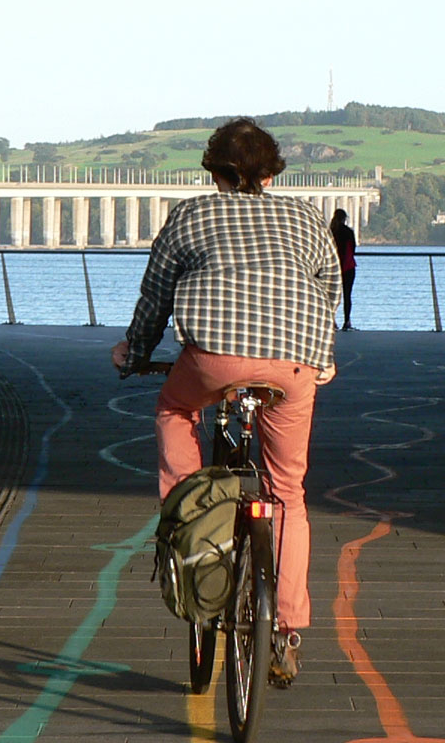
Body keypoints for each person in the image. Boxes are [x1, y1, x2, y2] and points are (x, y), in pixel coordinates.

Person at [111, 117, 340, 687]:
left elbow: (156, 293)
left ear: (215, 171)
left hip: (211, 357)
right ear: (270, 172)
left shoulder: (192, 214)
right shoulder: (307, 218)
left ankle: (188, 514)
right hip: (294, 362)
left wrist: (135, 350)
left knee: (174, 409)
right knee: (288, 491)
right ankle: (286, 630)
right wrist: (324, 355)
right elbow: (328, 286)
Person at [328, 208, 357, 330]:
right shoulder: (348, 232)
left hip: (333, 267)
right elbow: (353, 249)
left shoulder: (330, 232)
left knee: (332, 296)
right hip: (348, 267)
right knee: (347, 296)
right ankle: (347, 321)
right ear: (344, 219)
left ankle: (332, 321)